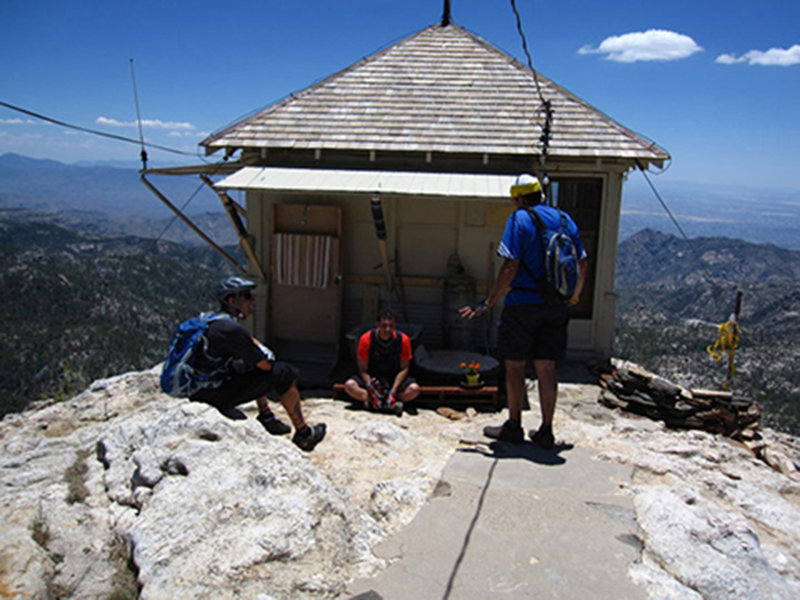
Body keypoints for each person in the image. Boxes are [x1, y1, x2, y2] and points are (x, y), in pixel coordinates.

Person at [459, 174, 588, 448]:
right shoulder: (565, 220)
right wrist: (573, 297)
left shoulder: (520, 219)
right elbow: (581, 263)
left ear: (518, 198)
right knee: (547, 367)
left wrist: (489, 301)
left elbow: (511, 266)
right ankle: (546, 430)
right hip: (556, 304)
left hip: (522, 304)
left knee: (515, 365)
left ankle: (514, 426)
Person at [190, 276, 326, 452]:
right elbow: (266, 365)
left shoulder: (214, 321)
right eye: (247, 297)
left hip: (200, 389)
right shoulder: (231, 329)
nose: (252, 301)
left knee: (248, 365)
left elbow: (245, 347)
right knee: (284, 372)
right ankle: (304, 433)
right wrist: (261, 352)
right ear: (232, 301)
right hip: (213, 395)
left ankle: (266, 416)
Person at [343, 308, 420, 415]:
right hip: (373, 376)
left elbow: (404, 368)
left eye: (391, 326)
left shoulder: (403, 340)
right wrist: (370, 387)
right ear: (377, 325)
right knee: (349, 386)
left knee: (414, 390)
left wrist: (394, 390)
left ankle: (393, 400)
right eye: (384, 326)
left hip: (394, 377)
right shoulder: (366, 339)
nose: (387, 329)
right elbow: (362, 368)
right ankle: (373, 400)